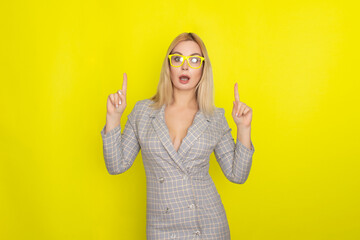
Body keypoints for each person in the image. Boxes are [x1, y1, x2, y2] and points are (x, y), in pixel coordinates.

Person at [100, 32, 255, 240]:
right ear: (168, 65)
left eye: (193, 60)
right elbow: (116, 165)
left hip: (207, 225)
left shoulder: (214, 117)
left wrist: (243, 128)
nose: (185, 66)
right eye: (177, 59)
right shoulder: (143, 112)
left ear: (202, 68)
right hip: (162, 229)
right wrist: (113, 117)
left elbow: (237, 175)